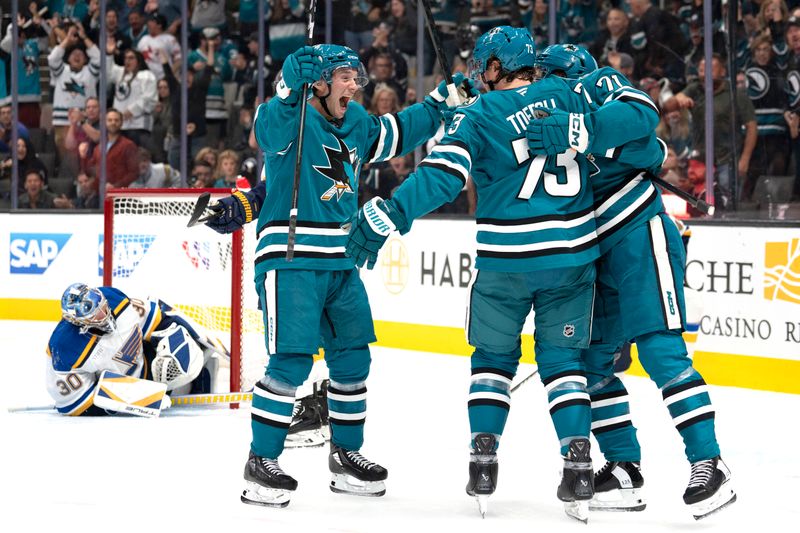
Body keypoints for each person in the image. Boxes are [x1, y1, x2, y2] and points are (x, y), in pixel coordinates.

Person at [345, 27, 602, 521]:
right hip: (571, 257)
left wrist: (388, 215)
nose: (479, 74)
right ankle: (578, 466)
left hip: (505, 262)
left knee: (492, 360)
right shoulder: (569, 92)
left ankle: (483, 463)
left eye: (483, 66)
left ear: (495, 67)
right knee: (565, 364)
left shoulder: (478, 115)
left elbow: (441, 177)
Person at [203, 43, 474, 507]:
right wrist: (289, 84)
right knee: (291, 363)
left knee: (353, 361)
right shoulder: (291, 117)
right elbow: (266, 131)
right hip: (290, 257)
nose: (355, 85)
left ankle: (346, 456)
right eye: (346, 77)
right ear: (321, 81)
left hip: (341, 259)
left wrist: (439, 103)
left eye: (356, 77)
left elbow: (398, 132)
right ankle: (260, 461)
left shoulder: (356, 123)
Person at [529, 44, 736, 520]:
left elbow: (645, 123)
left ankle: (710, 462)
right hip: (590, 248)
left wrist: (589, 133)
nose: (540, 80)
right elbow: (649, 148)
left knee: (662, 350)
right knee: (591, 362)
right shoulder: (533, 115)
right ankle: (624, 470)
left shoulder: (595, 83)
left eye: (547, 73)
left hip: (638, 231)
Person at [46, 282, 226, 416]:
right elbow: (81, 403)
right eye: (91, 310)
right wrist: (139, 398)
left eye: (99, 302)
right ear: (77, 322)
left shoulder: (114, 299)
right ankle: (193, 385)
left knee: (185, 352)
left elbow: (157, 319)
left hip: (148, 363)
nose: (103, 311)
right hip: (125, 387)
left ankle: (201, 377)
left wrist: (187, 339)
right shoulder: (65, 349)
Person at [82, 108, 139, 188]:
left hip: (119, 195)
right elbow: (90, 171)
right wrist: (84, 156)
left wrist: (116, 186)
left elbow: (134, 173)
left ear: (121, 123)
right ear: (105, 123)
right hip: (101, 193)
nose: (113, 123)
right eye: (110, 120)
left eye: (116, 120)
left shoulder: (128, 145)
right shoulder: (99, 147)